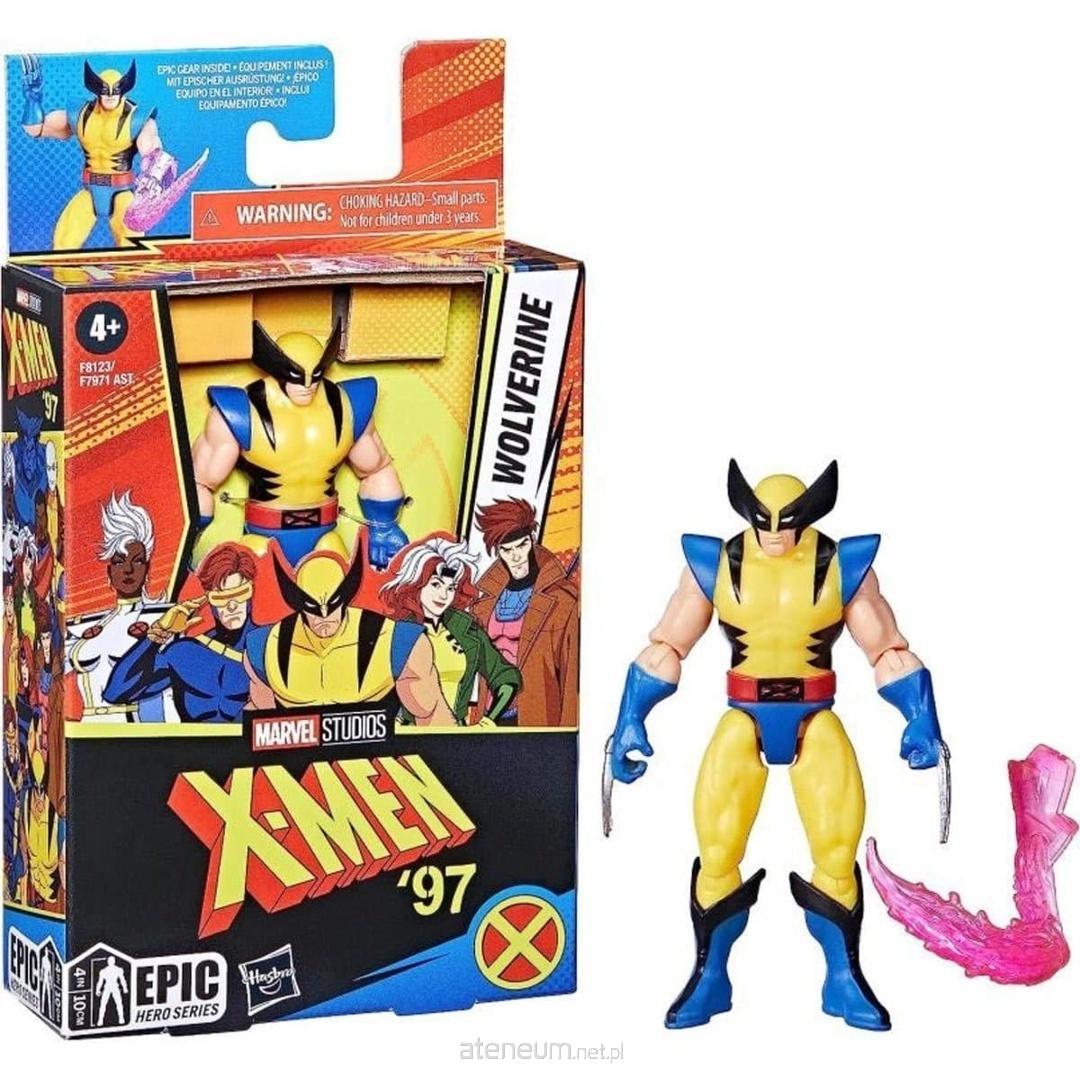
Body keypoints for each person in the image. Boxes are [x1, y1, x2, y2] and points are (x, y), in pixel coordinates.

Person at [607, 460, 946, 1032]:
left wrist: (919, 716)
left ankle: (843, 979)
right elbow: (666, 645)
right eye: (763, 520)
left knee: (836, 848)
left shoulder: (841, 565)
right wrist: (630, 716)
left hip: (815, 715)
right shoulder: (716, 564)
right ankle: (710, 977)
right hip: (744, 715)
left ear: (808, 515)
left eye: (786, 521)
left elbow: (887, 650)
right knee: (718, 848)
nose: (773, 533)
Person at [105, 543, 258, 723]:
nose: (232, 606)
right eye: (221, 597)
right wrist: (159, 632)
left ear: (251, 591)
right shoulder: (186, 652)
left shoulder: (269, 645)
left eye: (240, 593)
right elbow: (115, 693)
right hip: (196, 741)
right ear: (208, 599)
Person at [381, 538, 521, 725]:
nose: (443, 595)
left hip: (454, 731)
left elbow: (506, 677)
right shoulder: (397, 631)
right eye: (436, 584)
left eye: (451, 588)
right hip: (410, 731)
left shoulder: (467, 629)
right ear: (417, 584)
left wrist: (489, 721)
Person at [471, 498, 578, 727]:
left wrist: (566, 734)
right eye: (507, 550)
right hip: (490, 716)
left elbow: (571, 677)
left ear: (532, 539)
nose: (516, 556)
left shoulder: (562, 600)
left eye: (521, 545)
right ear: (498, 552)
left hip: (536, 715)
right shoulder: (485, 602)